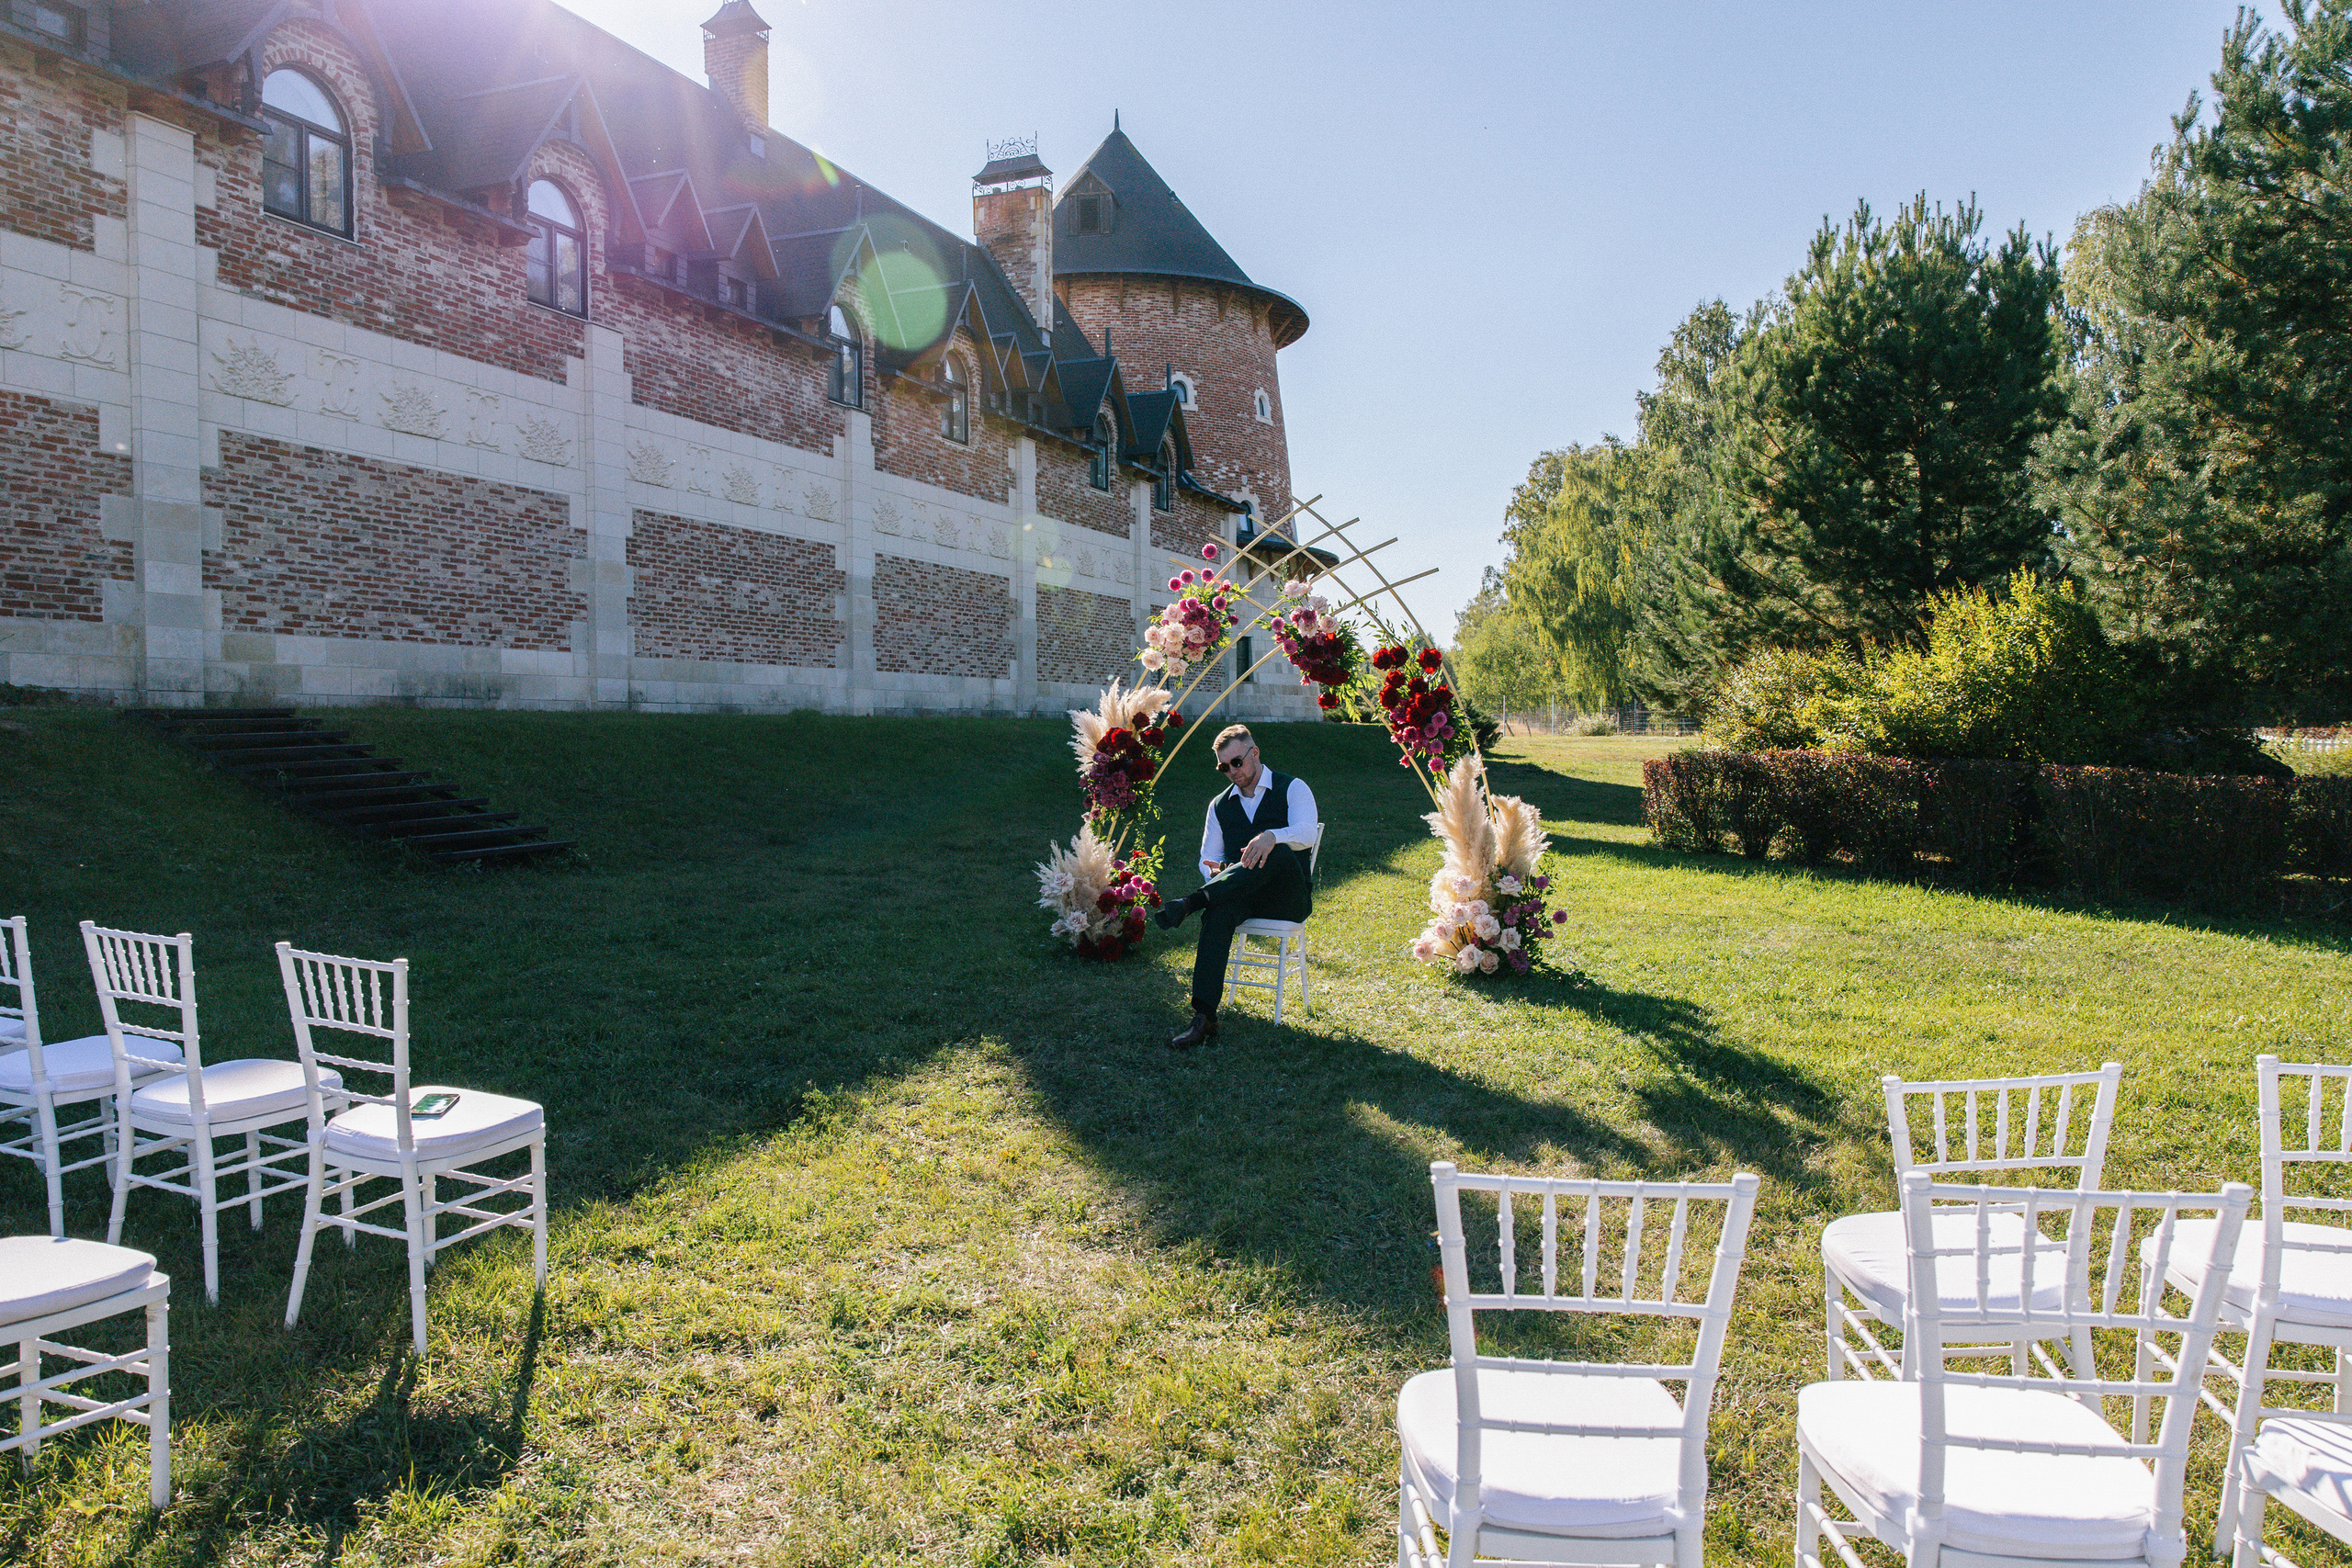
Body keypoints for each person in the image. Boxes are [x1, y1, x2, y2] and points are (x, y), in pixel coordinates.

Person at [1153, 724, 1318, 1049]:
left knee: (1277, 847)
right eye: (1223, 767)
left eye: (1236, 763)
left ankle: (1193, 901)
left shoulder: (1293, 788)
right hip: (1241, 895)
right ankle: (1204, 1018)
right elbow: (1208, 858)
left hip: (1287, 897)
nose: (1231, 772)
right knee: (1217, 914)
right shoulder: (1219, 805)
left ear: (1254, 753)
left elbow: (1308, 833)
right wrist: (1216, 871)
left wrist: (1273, 836)